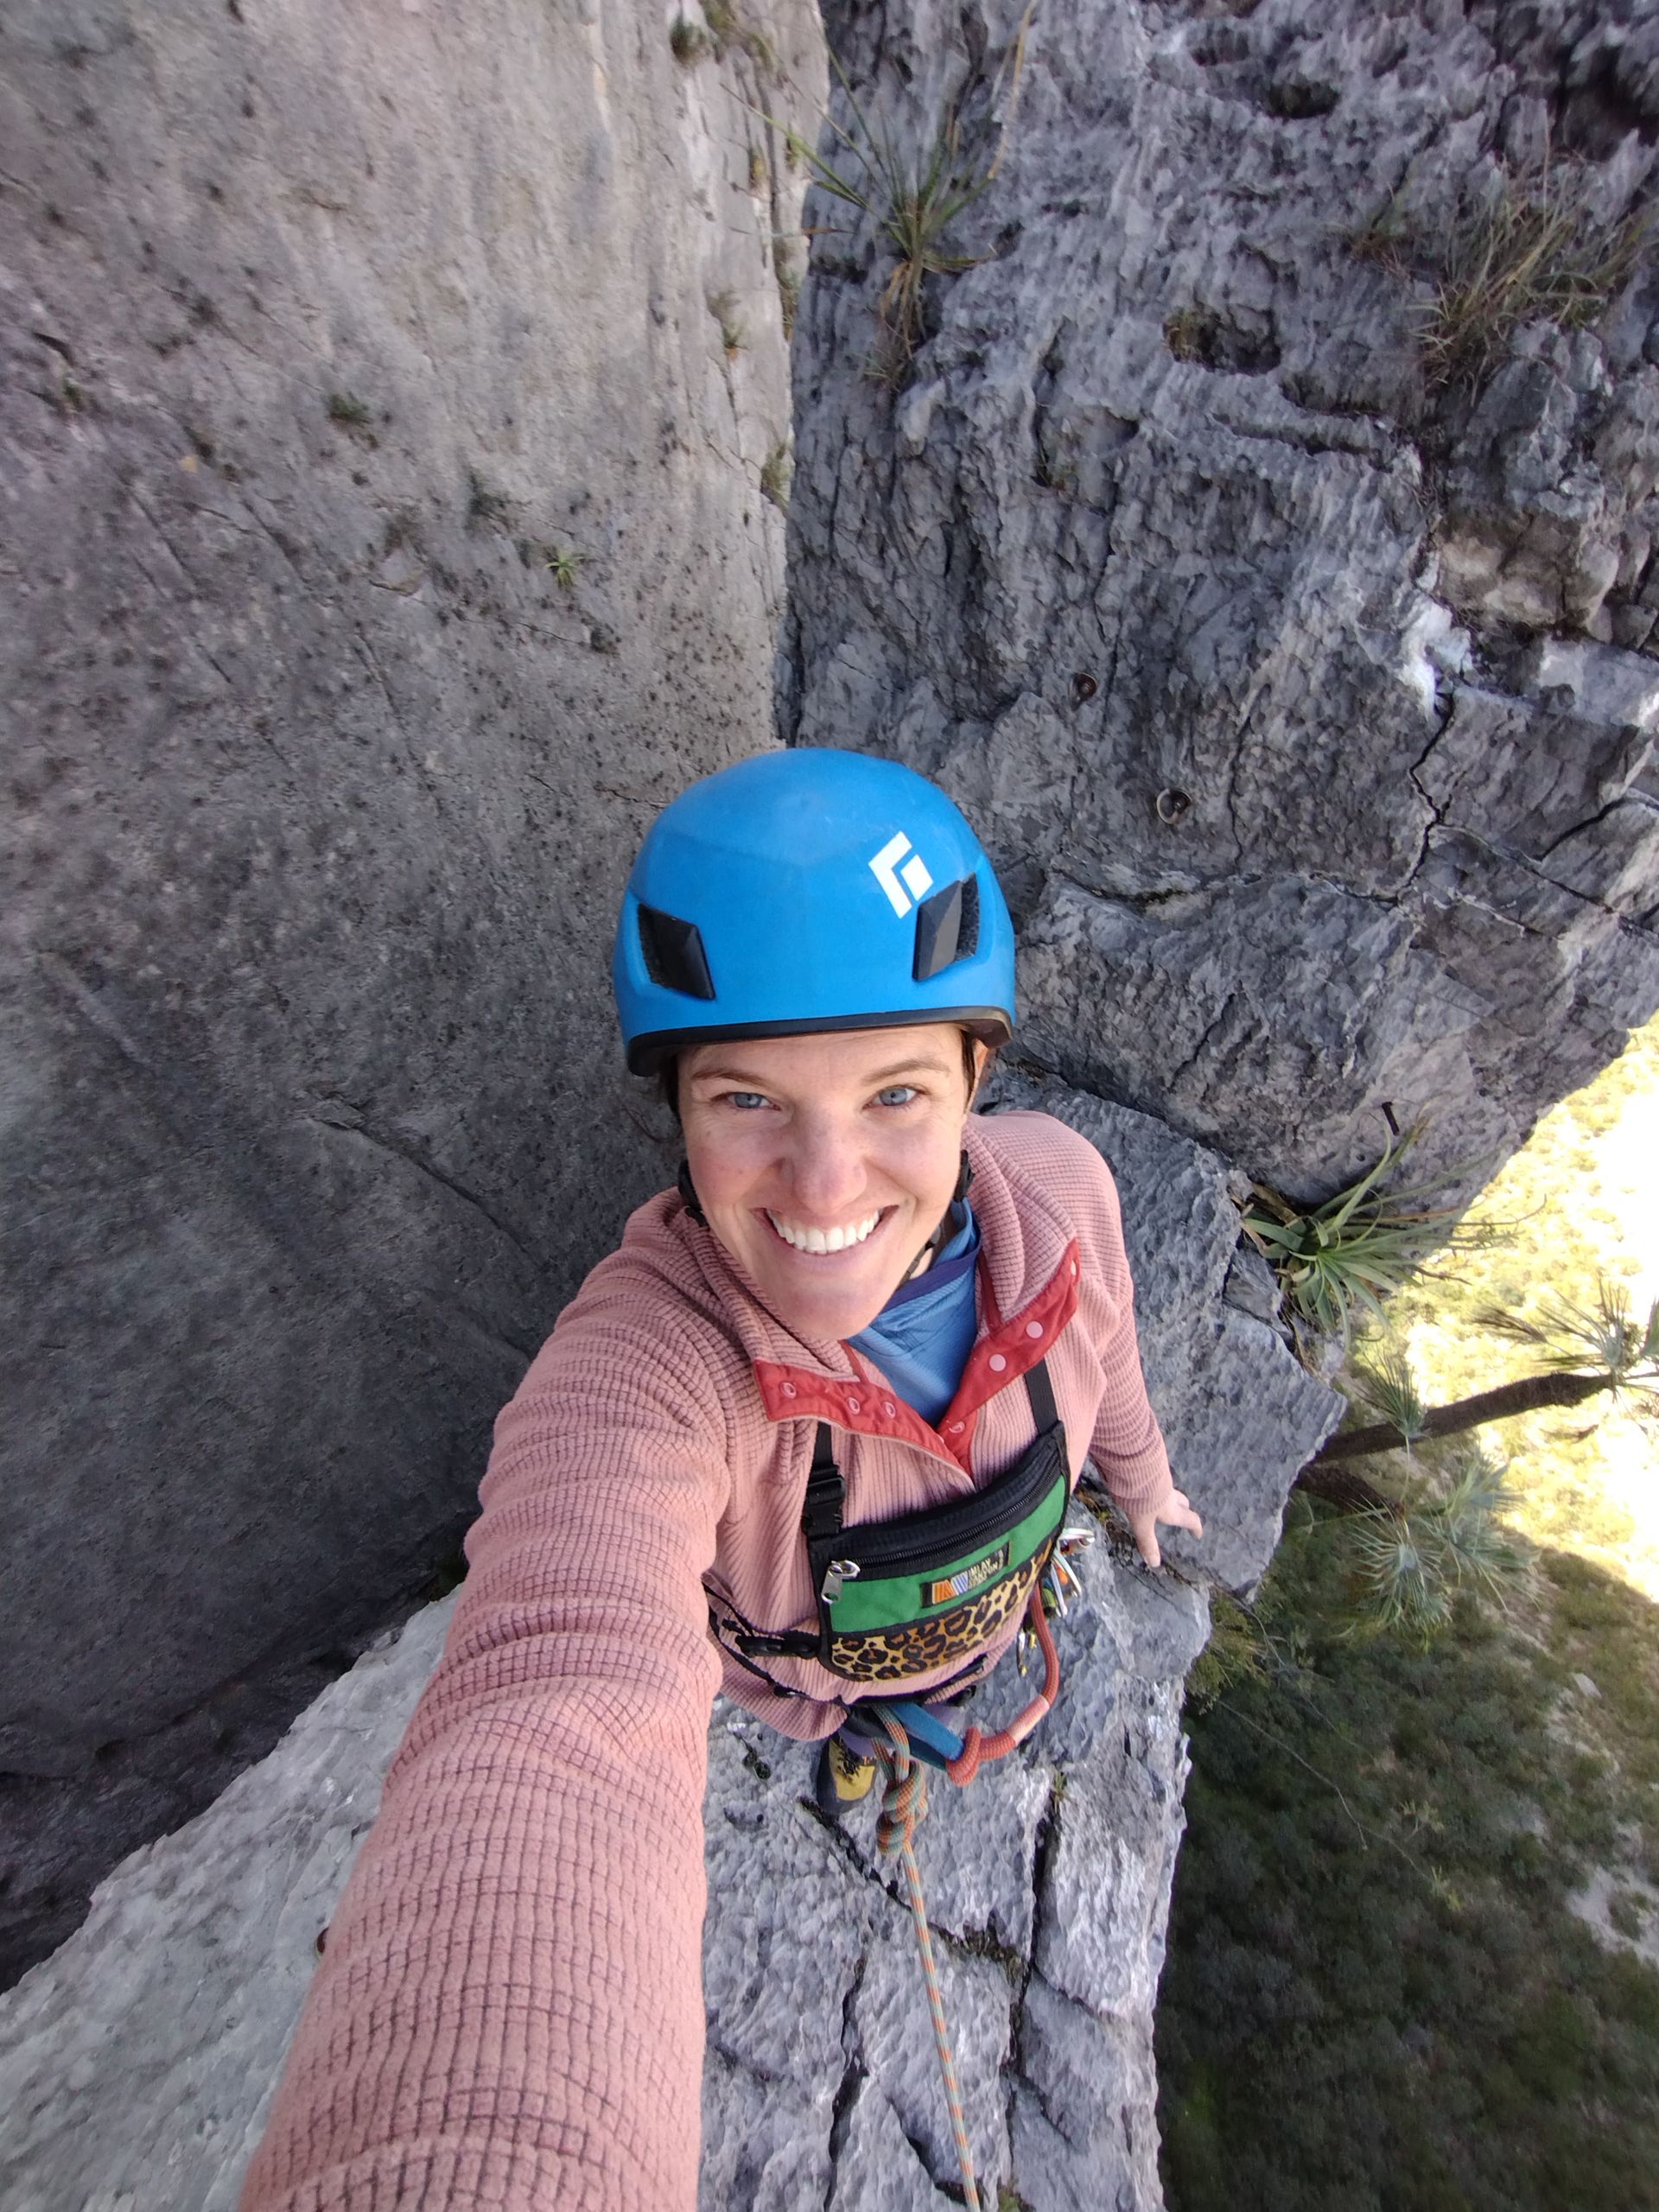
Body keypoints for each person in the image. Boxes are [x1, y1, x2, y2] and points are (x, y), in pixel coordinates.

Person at [239, 748, 1201, 2212]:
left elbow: (1108, 1343)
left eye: (894, 1092)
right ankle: (867, 1724)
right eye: (750, 1099)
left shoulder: (1062, 1190)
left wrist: (1140, 1474)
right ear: (677, 1112)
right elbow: (556, 1698)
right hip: (805, 1678)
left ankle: (897, 1716)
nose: (826, 1187)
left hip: (975, 1619)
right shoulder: (648, 1370)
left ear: (976, 1077)